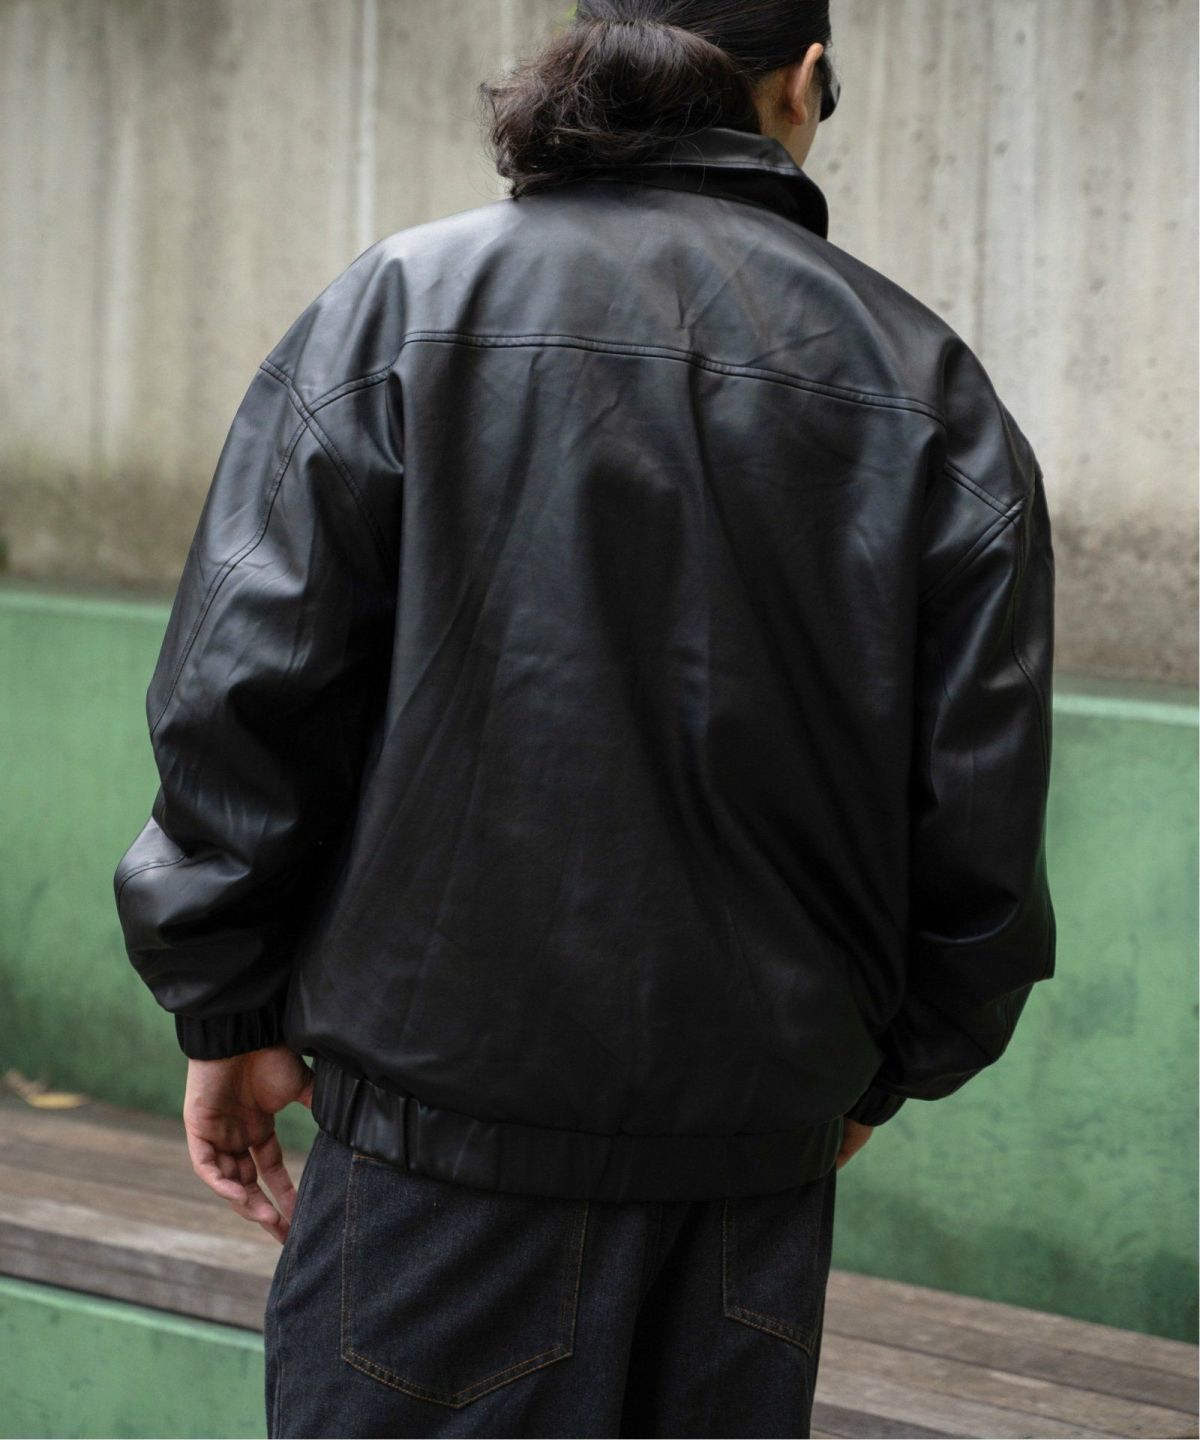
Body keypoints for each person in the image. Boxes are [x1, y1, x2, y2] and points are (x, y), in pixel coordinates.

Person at [111, 2, 1057, 1435]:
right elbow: (979, 819)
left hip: (432, 1174)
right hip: (749, 1178)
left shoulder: (403, 306)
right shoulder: (924, 381)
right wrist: (885, 1071)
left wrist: (225, 1005)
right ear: (804, 82)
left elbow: (244, 697)